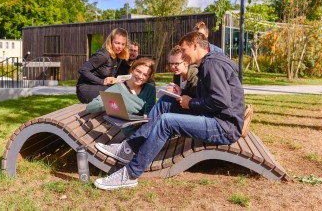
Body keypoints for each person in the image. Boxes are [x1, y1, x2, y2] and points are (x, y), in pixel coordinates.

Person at [94, 31, 245, 190]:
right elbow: (213, 97)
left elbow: (220, 101)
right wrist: (184, 95)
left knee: (167, 121)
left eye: (184, 50)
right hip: (214, 116)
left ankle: (131, 174)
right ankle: (128, 148)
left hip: (223, 127)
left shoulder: (211, 64)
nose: (184, 55)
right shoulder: (210, 61)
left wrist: (191, 102)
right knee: (166, 102)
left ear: (195, 45)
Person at [85, 57, 156, 120]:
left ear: (148, 78)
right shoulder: (117, 89)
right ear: (132, 70)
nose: (140, 76)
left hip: (143, 125)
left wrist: (146, 117)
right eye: (138, 71)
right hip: (124, 129)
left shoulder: (150, 89)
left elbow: (149, 111)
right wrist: (110, 103)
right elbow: (90, 107)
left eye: (145, 75)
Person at [76, 28, 129, 103]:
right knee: (117, 93)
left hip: (100, 87)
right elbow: (83, 70)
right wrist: (102, 81)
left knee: (125, 89)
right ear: (110, 41)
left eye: (123, 44)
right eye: (117, 43)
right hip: (85, 89)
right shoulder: (103, 55)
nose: (120, 47)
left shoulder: (118, 56)